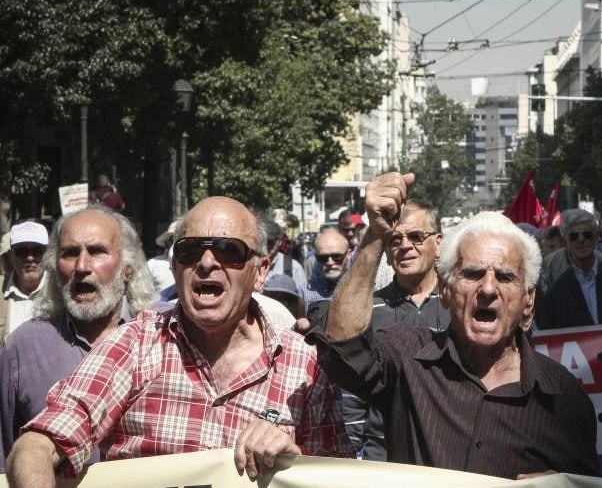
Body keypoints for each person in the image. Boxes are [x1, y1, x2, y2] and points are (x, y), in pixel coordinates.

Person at [4, 197, 350, 486]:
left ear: (260, 271)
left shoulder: (305, 366)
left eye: (229, 250)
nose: (207, 262)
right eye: (190, 251)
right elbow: (36, 445)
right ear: (174, 268)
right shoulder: (136, 344)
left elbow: (339, 477)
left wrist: (294, 461)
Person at [306, 172, 600, 479]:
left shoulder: (563, 397)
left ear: (528, 300)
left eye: (505, 276)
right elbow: (343, 346)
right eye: (472, 274)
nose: (487, 289)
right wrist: (376, 236)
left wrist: (561, 486)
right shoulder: (408, 359)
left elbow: (587, 481)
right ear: (445, 292)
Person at [0, 206, 157, 472]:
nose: (82, 267)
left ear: (127, 269)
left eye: (97, 251)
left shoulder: (164, 331)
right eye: (70, 253)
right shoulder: (24, 346)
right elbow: (5, 456)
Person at [316, 198, 450, 461]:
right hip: (384, 463)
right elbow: (352, 394)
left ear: (438, 243)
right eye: (395, 240)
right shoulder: (367, 311)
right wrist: (353, 460)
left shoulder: (460, 306)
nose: (405, 246)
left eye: (416, 236)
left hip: (447, 459)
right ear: (386, 253)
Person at [1, 222, 49, 346]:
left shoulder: (60, 291)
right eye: (22, 251)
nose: (29, 258)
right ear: (11, 256)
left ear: (48, 254)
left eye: (38, 251)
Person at [300, 226, 351, 310]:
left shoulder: (363, 287)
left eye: (336, 257)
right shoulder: (304, 292)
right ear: (316, 257)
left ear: (348, 254)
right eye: (323, 258)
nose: (330, 262)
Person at [263, 220, 307, 291]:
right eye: (262, 242)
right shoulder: (250, 264)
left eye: (269, 242)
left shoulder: (293, 267)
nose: (265, 247)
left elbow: (302, 298)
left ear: (279, 242)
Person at [146, 219, 178, 295]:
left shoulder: (197, 263)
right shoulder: (152, 264)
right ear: (167, 240)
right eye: (173, 238)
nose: (177, 241)